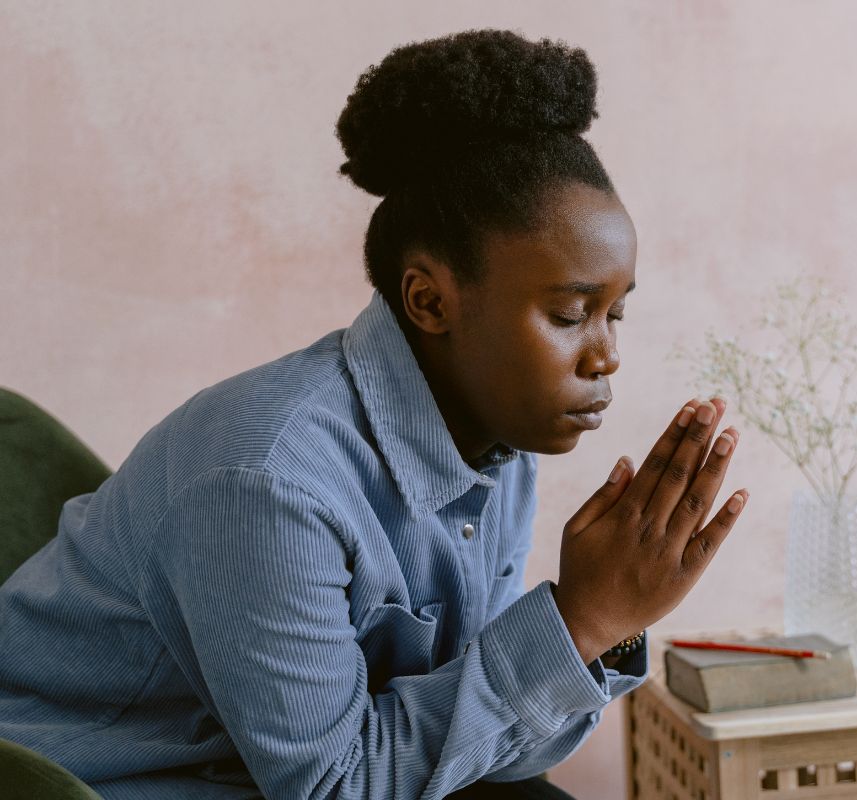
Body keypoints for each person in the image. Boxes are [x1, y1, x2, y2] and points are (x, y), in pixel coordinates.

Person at [0, 29, 748, 799]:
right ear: (430, 300)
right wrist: (579, 622)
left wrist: (605, 620)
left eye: (615, 314)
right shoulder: (267, 480)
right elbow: (333, 786)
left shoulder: (496, 448)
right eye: (568, 314)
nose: (606, 356)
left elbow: (464, 740)